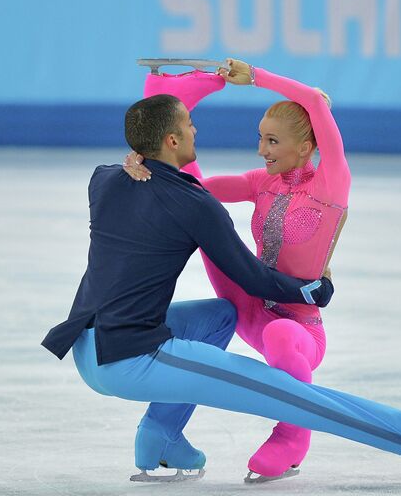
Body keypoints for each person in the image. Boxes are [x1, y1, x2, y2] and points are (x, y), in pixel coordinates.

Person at [42, 92, 401, 484]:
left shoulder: (104, 178)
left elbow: (142, 157)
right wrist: (310, 292)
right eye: (189, 124)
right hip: (130, 357)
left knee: (219, 317)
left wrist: (137, 152)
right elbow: (252, 278)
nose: (196, 129)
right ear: (172, 141)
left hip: (87, 342)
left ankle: (159, 439)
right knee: (283, 393)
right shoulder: (196, 205)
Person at [124, 58, 349, 480]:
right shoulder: (262, 181)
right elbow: (194, 192)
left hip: (297, 327)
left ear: (305, 147)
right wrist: (148, 164)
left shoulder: (331, 182)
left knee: (282, 334)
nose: (261, 150)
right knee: (202, 219)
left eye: (272, 141)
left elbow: (316, 102)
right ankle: (171, 100)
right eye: (260, 139)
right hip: (249, 306)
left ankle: (291, 437)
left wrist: (258, 77)